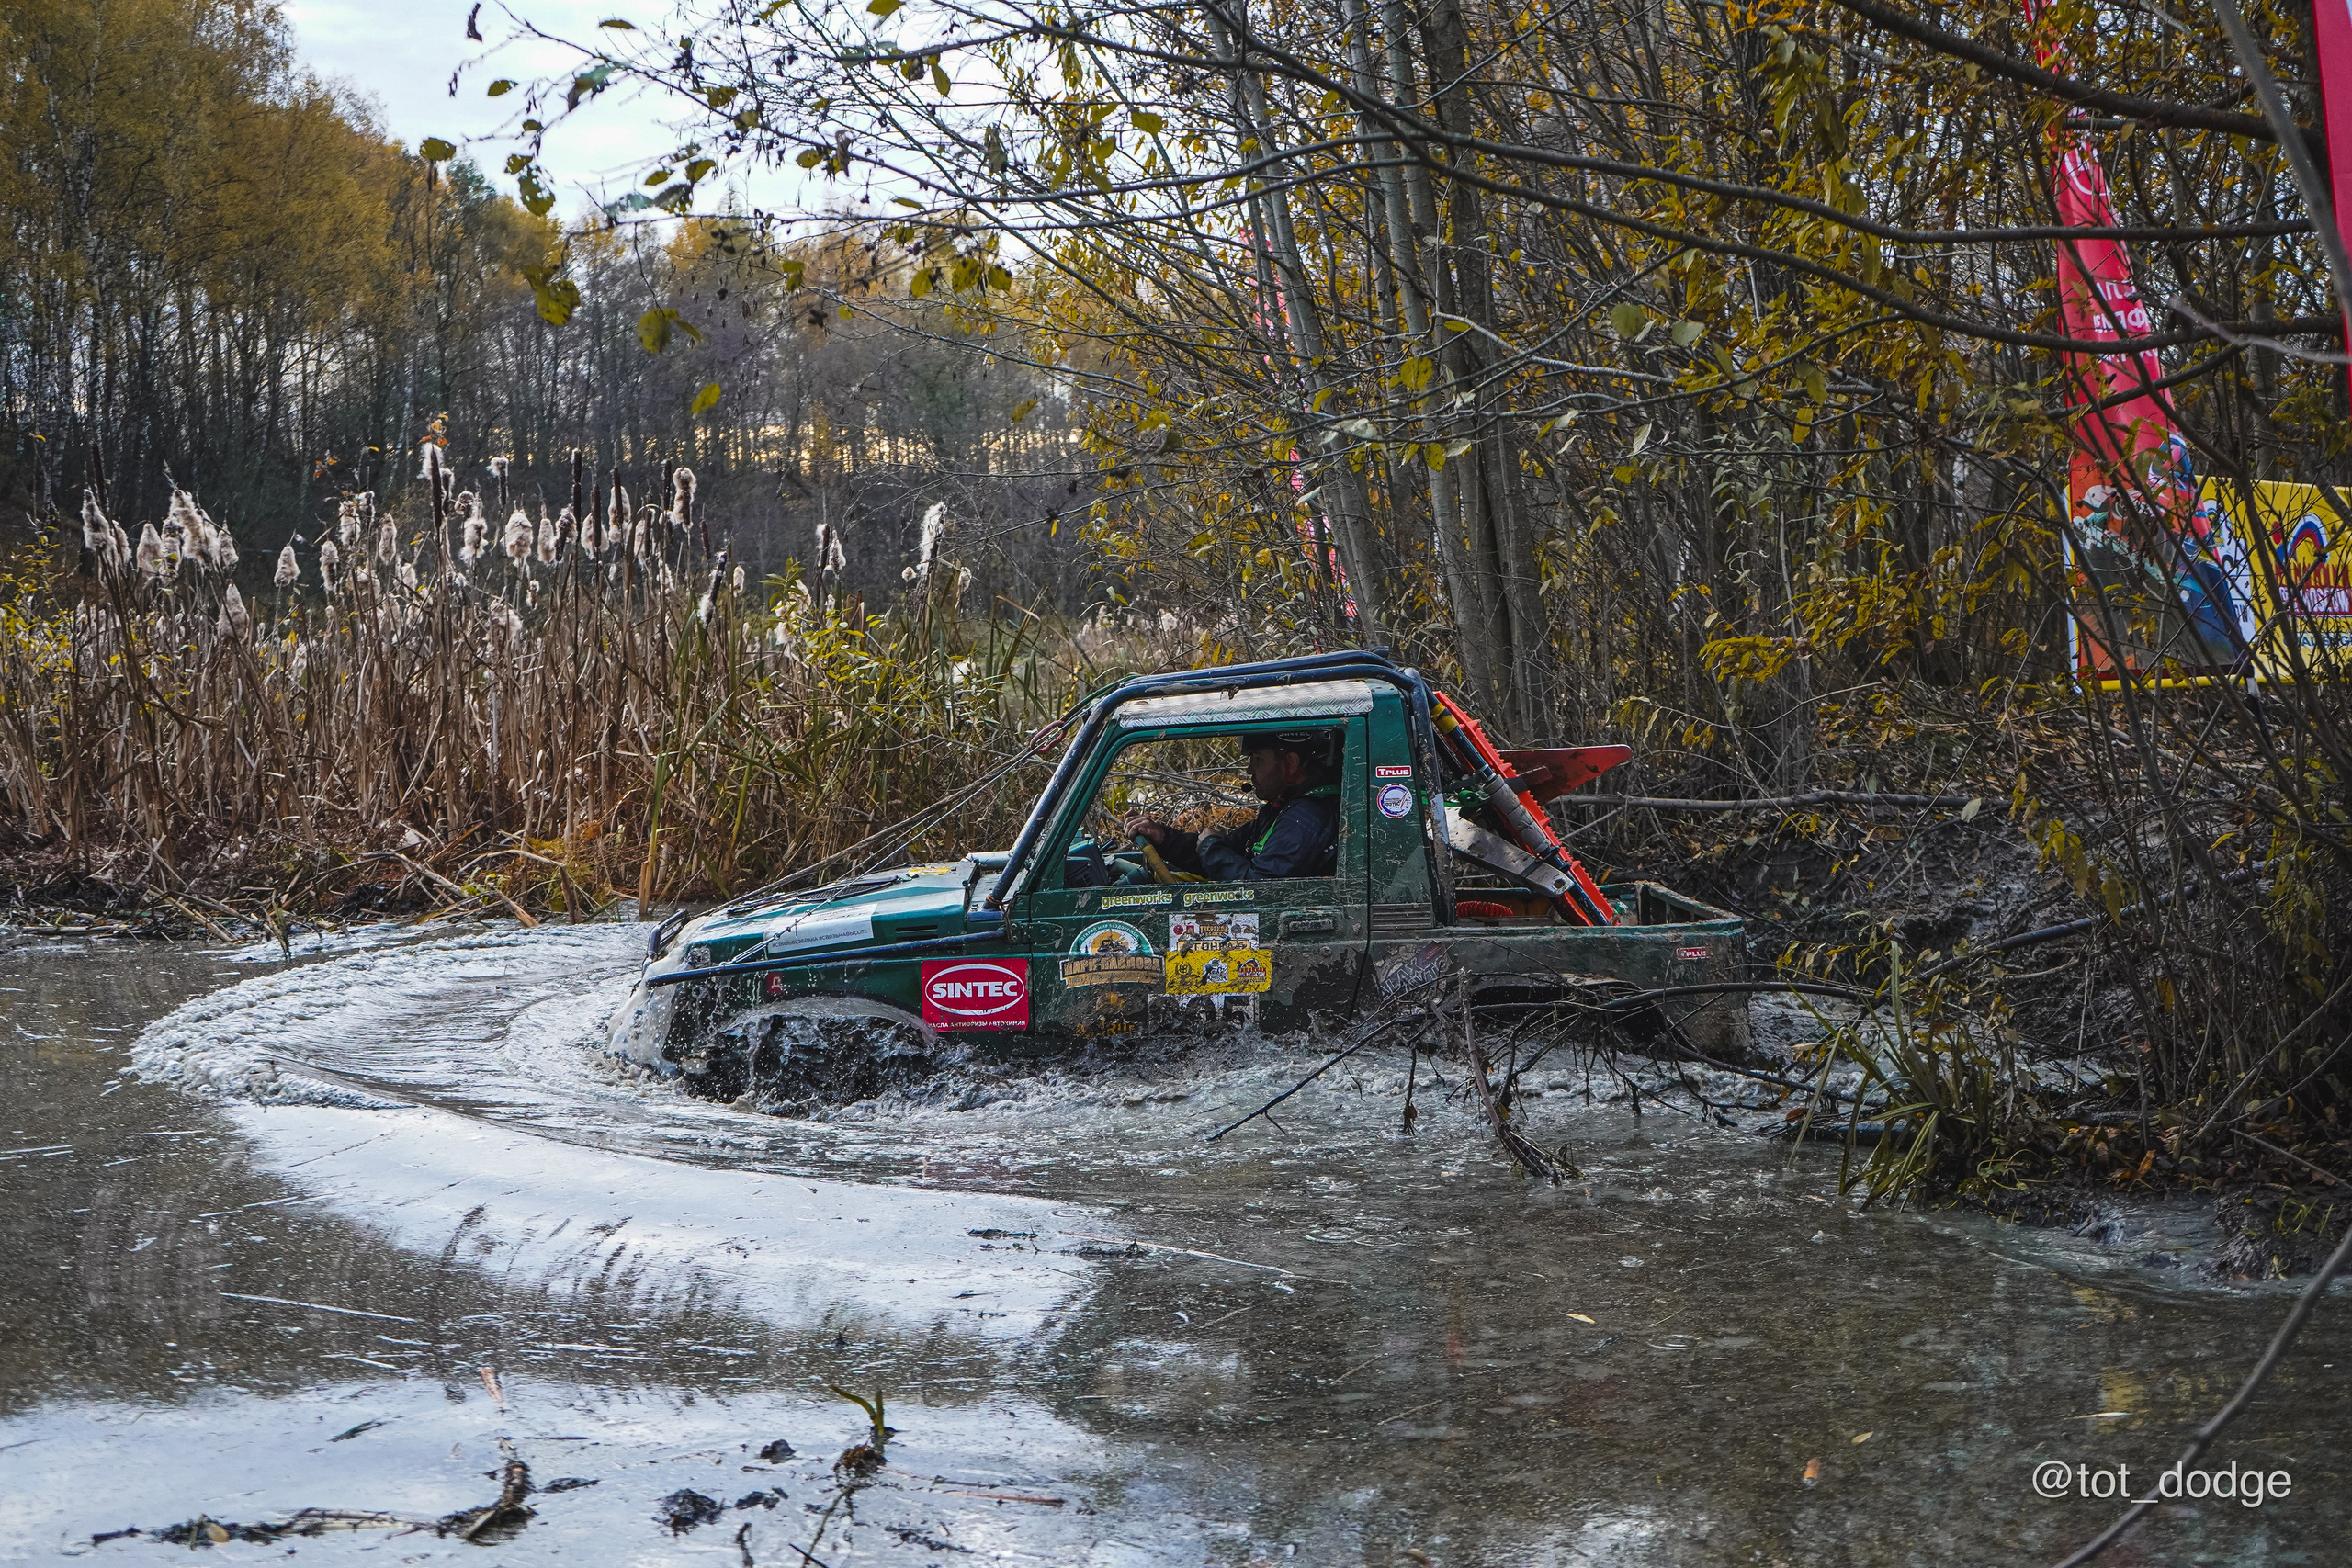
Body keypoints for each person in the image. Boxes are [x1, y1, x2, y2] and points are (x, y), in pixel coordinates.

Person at [1123, 730, 1341, 881]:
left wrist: (1211, 846)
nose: (1249, 770)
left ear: (1291, 763)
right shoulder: (1283, 810)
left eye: (1257, 759)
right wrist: (1164, 837)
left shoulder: (1306, 818)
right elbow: (1226, 855)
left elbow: (1259, 888)